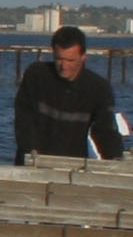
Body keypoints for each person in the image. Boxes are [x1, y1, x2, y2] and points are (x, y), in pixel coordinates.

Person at [12, 26, 125, 162]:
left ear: (83, 57)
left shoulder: (99, 88)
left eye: (70, 61)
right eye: (59, 59)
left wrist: (115, 158)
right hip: (32, 160)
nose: (64, 66)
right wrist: (29, 150)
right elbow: (23, 119)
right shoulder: (36, 75)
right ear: (53, 53)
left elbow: (105, 131)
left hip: (72, 164)